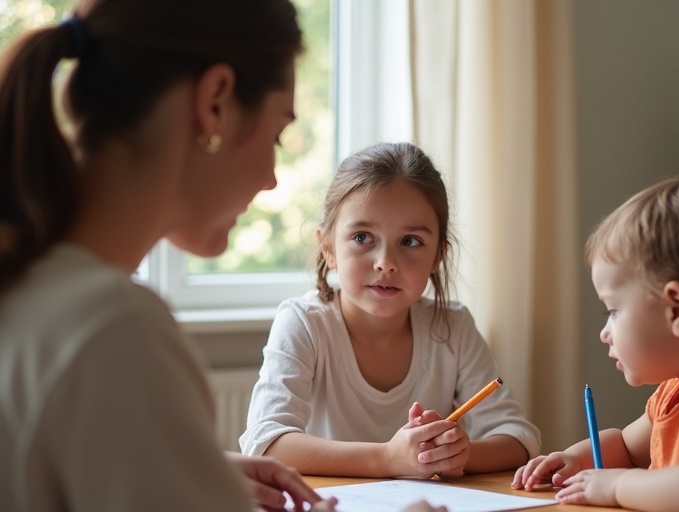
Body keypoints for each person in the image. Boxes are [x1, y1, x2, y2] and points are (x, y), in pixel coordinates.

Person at [0, 2, 445, 511]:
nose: (272, 178)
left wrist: (186, 467)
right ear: (215, 102)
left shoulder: (31, 286)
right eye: (276, 134)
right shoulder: (111, 327)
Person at [240, 141, 541, 478]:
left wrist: (458, 454)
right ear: (328, 247)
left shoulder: (453, 326)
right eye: (362, 237)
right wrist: (387, 458)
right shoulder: (303, 323)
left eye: (410, 242)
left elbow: (519, 438)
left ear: (438, 256)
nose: (386, 263)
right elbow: (267, 443)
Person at [511, 164, 679, 511]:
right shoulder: (674, 393)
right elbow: (627, 448)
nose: (605, 333)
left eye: (613, 311)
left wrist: (618, 486)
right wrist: (573, 459)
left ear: (678, 310)